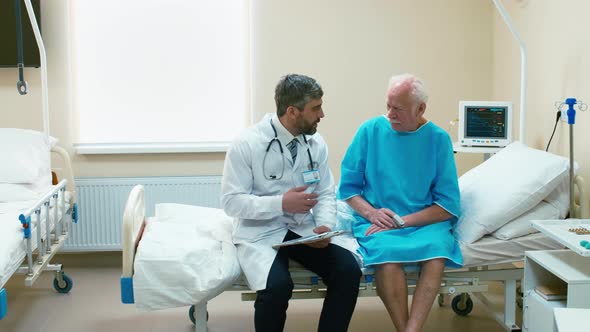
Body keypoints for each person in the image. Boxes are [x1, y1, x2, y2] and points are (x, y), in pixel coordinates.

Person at [221, 74, 361, 332]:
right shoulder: (247, 143)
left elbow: (326, 192)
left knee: (348, 270)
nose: (322, 114)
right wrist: (281, 204)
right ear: (292, 111)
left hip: (303, 230)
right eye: (316, 108)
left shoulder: (315, 143)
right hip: (260, 231)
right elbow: (232, 203)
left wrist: (325, 226)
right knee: (277, 287)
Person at [338, 74, 463, 332]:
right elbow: (348, 189)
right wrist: (371, 214)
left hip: (422, 221)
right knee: (387, 255)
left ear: (421, 109)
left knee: (437, 252)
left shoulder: (438, 139)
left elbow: (448, 204)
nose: (390, 114)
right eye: (388, 106)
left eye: (398, 109)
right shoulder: (370, 131)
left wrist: (403, 221)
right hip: (379, 220)